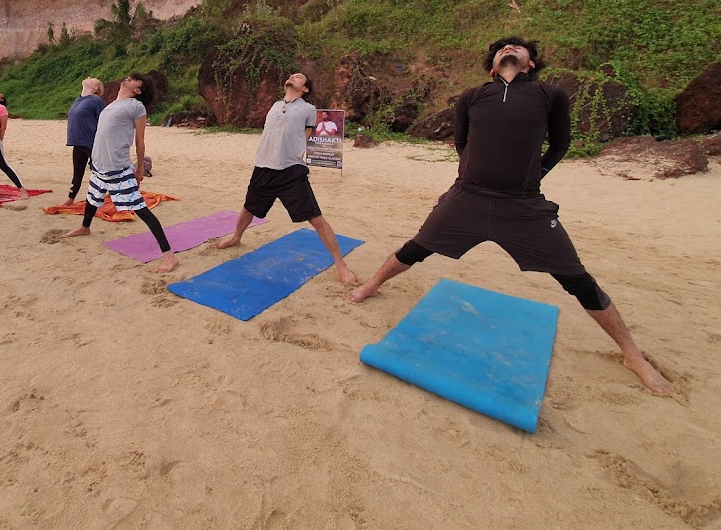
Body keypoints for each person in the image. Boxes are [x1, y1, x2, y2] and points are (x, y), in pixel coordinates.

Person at [346, 38, 674, 395]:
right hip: (468, 198)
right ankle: (372, 285)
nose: (509, 48)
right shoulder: (472, 96)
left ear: (530, 63)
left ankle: (631, 354)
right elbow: (462, 143)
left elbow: (561, 143)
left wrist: (536, 174)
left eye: (517, 47)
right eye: (502, 47)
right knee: (417, 247)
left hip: (524, 205)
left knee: (575, 277)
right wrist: (473, 175)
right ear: (492, 66)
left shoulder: (550, 96)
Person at [214, 72, 358, 284]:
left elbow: (307, 135)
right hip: (263, 166)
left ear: (305, 89)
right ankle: (236, 237)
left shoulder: (308, 109)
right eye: (292, 75)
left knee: (316, 219)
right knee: (249, 207)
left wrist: (295, 152)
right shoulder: (274, 105)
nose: (293, 76)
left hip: (290, 170)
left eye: (299, 77)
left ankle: (341, 265)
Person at [65, 73, 178, 274]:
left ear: (137, 90)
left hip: (118, 167)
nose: (127, 77)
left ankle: (169, 256)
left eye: (133, 79)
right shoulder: (109, 105)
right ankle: (85, 227)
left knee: (141, 209)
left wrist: (139, 168)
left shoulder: (136, 106)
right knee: (92, 197)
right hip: (100, 165)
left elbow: (140, 141)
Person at [65, 77, 105, 204]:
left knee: (101, 173)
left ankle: (113, 197)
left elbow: (103, 121)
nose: (89, 78)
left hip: (91, 142)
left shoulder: (96, 100)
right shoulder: (78, 99)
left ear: (95, 88)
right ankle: (71, 198)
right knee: (77, 173)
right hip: (78, 142)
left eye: (93, 79)